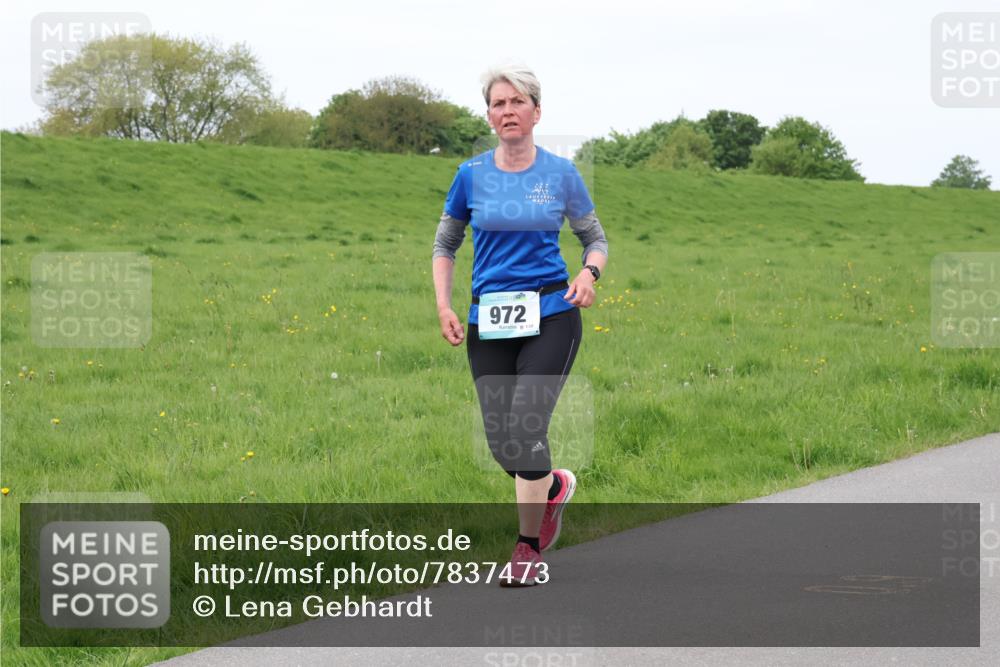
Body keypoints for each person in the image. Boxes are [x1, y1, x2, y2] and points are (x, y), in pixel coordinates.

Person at [432, 63, 608, 587]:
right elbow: (445, 245)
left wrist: (589, 273)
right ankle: (552, 487)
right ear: (489, 116)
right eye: (497, 104)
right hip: (488, 319)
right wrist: (444, 305)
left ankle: (527, 549)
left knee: (526, 426)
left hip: (551, 313)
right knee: (503, 443)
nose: (507, 111)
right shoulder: (470, 175)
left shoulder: (560, 174)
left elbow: (594, 237)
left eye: (516, 102)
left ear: (536, 111)